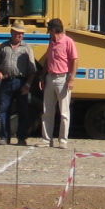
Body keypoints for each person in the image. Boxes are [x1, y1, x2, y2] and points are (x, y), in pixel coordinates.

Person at [0, 20, 37, 146]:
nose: (20, 35)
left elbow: (32, 70)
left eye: (22, 34)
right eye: (18, 33)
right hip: (6, 81)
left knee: (23, 111)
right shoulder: (3, 46)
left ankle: (22, 138)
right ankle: (4, 137)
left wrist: (28, 84)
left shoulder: (27, 48)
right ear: (12, 32)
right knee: (4, 109)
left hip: (21, 82)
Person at [39, 18, 78, 149]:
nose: (49, 33)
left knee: (64, 112)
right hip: (50, 77)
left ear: (53, 30)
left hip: (63, 79)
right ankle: (46, 139)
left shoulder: (68, 42)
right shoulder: (52, 42)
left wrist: (71, 79)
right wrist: (42, 76)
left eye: (49, 31)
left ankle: (63, 140)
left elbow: (75, 61)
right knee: (47, 111)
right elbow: (47, 59)